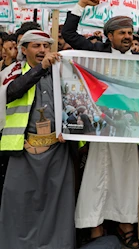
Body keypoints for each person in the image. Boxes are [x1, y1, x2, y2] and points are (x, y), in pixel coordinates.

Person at [64, 0, 139, 248]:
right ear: (109, 36)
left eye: (129, 33)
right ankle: (95, 224)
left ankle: (125, 224)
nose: (127, 37)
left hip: (127, 129)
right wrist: (81, 6)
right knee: (97, 175)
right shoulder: (97, 51)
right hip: (100, 128)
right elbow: (69, 34)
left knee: (126, 175)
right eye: (121, 33)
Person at [0, 30, 75, 248]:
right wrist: (40, 70)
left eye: (45, 46)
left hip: (56, 149)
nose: (42, 50)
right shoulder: (12, 71)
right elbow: (12, 92)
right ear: (23, 50)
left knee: (56, 203)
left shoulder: (62, 72)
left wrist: (69, 130)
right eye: (36, 46)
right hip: (24, 149)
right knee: (20, 201)